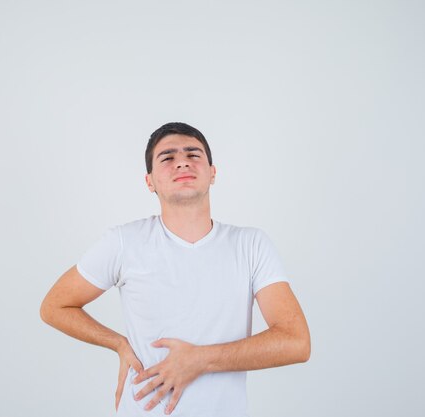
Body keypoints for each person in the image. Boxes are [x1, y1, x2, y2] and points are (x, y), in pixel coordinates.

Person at [40, 122, 311, 416]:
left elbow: (295, 341)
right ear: (149, 182)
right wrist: (118, 343)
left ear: (213, 173)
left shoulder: (251, 245)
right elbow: (55, 306)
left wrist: (200, 360)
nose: (182, 161)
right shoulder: (123, 242)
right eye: (167, 158)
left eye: (193, 154)